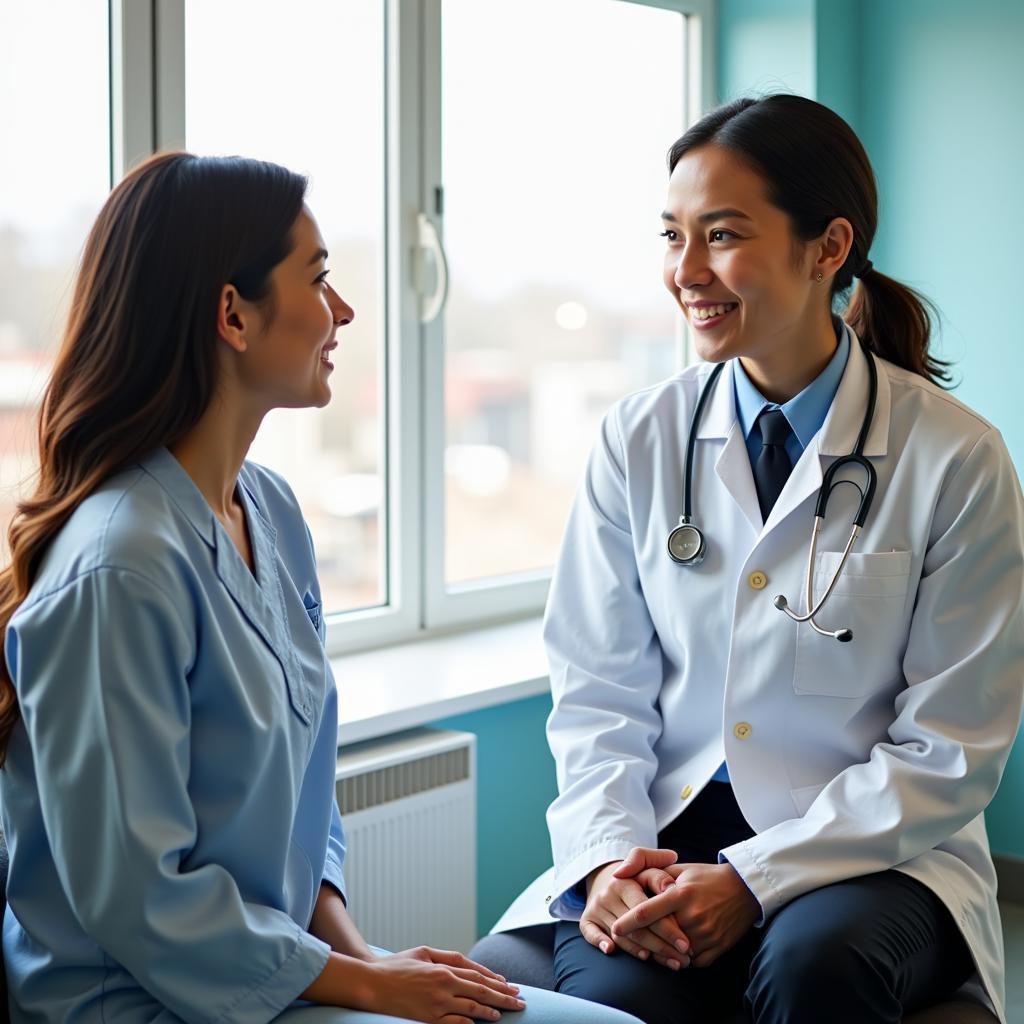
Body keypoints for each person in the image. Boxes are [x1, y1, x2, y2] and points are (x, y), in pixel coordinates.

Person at [0, 153, 642, 1024]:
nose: (341, 311)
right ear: (232, 312)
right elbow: (136, 898)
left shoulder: (267, 508)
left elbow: (302, 810)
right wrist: (371, 986)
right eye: (320, 279)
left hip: (274, 975)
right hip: (139, 1002)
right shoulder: (122, 566)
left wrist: (362, 954)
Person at [483, 95, 1024, 1024]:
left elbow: (949, 748)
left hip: (876, 845)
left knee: (815, 967)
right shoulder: (637, 438)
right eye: (671, 236)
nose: (685, 271)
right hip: (667, 830)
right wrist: (609, 858)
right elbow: (598, 695)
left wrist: (754, 878)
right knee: (618, 1000)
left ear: (828, 248)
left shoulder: (954, 457)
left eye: (722, 235)